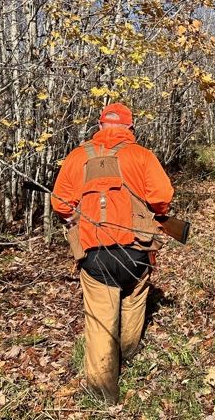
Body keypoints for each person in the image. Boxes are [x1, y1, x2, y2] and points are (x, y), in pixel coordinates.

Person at [52, 103, 174, 404]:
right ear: (130, 129)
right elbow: (162, 198)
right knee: (133, 299)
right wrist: (153, 213)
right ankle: (129, 352)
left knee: (100, 321)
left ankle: (103, 392)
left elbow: (60, 205)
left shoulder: (77, 156)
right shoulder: (142, 156)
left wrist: (75, 220)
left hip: (95, 254)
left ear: (99, 124)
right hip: (136, 251)